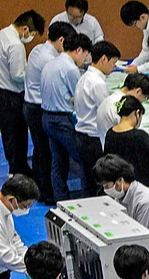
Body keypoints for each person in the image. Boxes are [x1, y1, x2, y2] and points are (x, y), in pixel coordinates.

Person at [36, 33, 87, 200]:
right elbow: (78, 97)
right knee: (82, 158)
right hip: (61, 120)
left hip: (46, 117)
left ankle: (61, 199)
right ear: (79, 50)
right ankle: (89, 196)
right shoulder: (71, 68)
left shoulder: (51, 63)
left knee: (58, 162)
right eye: (85, 55)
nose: (85, 60)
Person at [94, 156, 149, 254]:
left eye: (106, 186)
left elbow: (143, 239)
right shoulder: (120, 195)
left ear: (120, 181)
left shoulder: (145, 202)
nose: (105, 189)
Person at [0, 10, 42, 182]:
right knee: (18, 136)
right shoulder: (16, 45)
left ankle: (16, 167)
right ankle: (18, 172)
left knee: (9, 134)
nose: (30, 37)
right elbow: (17, 75)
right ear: (25, 29)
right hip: (12, 95)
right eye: (31, 34)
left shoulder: (3, 33)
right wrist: (34, 75)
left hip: (2, 92)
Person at [100, 97, 149, 195]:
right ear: (137, 113)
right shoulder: (140, 136)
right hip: (144, 188)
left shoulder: (110, 134)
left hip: (121, 189)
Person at [70, 41, 118, 178]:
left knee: (87, 179)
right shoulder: (98, 83)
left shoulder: (84, 77)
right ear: (104, 59)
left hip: (81, 134)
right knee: (100, 180)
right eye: (113, 63)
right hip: (94, 138)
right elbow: (106, 112)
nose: (114, 67)